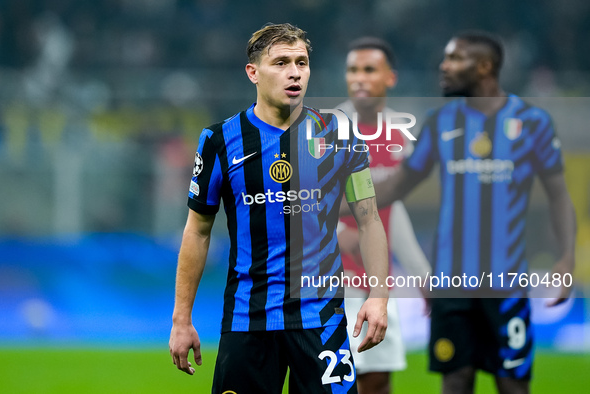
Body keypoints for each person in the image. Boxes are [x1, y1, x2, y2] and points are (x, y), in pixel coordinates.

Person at [169, 23, 390, 394]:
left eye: (301, 62)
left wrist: (379, 295)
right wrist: (181, 318)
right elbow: (198, 230)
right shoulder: (219, 140)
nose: (294, 72)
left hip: (322, 318)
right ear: (253, 73)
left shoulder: (339, 133)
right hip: (247, 318)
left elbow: (369, 221)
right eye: (281, 62)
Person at [374, 31, 577, 394]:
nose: (443, 66)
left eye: (454, 59)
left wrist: (566, 258)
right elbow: (399, 184)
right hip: (451, 284)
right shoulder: (440, 122)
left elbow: (559, 195)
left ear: (484, 67)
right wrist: (336, 204)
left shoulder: (531, 122)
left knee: (512, 385)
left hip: (507, 284)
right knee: (455, 382)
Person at [336, 37, 431, 394]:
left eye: (369, 70)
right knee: (335, 378)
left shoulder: (399, 135)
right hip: (333, 276)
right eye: (352, 70)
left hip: (378, 279)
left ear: (390, 78)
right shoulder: (327, 129)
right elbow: (302, 201)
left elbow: (392, 209)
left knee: (378, 380)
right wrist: (333, 233)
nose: (359, 78)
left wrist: (422, 273)